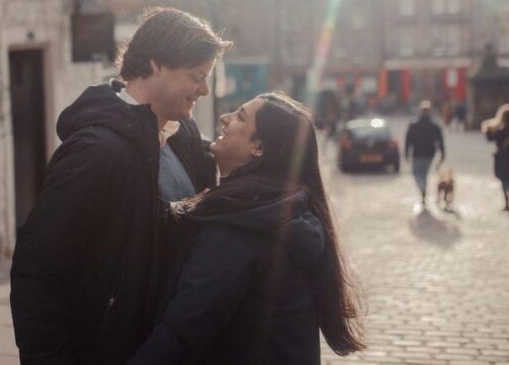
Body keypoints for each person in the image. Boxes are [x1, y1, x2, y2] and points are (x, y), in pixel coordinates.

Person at [10, 7, 229, 365]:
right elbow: (37, 271)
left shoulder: (185, 135)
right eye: (196, 76)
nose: (204, 90)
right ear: (157, 65)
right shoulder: (95, 151)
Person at [129, 92, 366, 365]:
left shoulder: (240, 227)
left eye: (240, 117)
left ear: (259, 148)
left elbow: (184, 329)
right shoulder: (280, 207)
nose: (224, 118)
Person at [482, 104, 509, 212]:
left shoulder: (502, 130)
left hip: (503, 161)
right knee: (508, 181)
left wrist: (487, 128)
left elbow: (490, 138)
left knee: (505, 182)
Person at [404, 100, 445, 209]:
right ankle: (423, 189)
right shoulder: (434, 125)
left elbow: (408, 141)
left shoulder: (414, 125)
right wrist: (442, 153)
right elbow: (440, 141)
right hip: (429, 154)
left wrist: (406, 153)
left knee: (417, 174)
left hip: (418, 153)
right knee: (423, 174)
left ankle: (422, 189)